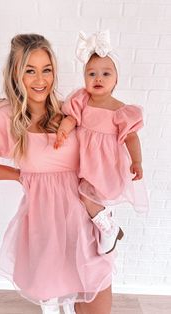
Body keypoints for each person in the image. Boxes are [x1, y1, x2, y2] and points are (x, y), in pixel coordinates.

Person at [0, 33, 115, 314]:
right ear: (16, 74)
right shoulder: (3, 117)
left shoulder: (68, 110)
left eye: (46, 70)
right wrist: (17, 175)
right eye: (30, 70)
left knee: (97, 302)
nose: (40, 80)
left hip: (85, 220)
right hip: (44, 224)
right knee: (52, 301)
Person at [54, 30, 149, 256]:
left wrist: (137, 161)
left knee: (86, 196)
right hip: (80, 158)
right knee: (76, 196)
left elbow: (132, 137)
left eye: (106, 74)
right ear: (85, 78)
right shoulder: (82, 100)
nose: (98, 78)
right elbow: (70, 118)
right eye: (92, 74)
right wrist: (62, 132)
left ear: (116, 80)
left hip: (104, 164)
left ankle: (109, 228)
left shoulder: (120, 110)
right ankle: (101, 225)